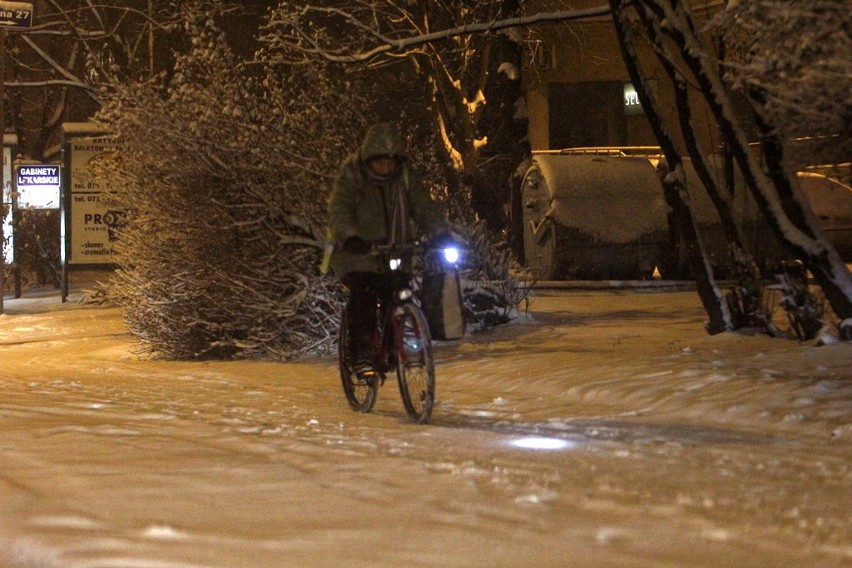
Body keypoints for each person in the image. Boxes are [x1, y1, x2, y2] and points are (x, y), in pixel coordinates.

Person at [325, 123, 447, 380]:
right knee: (365, 296)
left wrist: (439, 232)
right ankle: (361, 354)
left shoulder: (404, 177)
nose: (386, 169)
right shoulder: (352, 174)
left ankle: (393, 349)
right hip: (357, 255)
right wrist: (351, 237)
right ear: (369, 160)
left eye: (390, 164)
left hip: (396, 250)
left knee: (400, 294)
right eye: (380, 164)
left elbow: (423, 206)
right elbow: (340, 210)